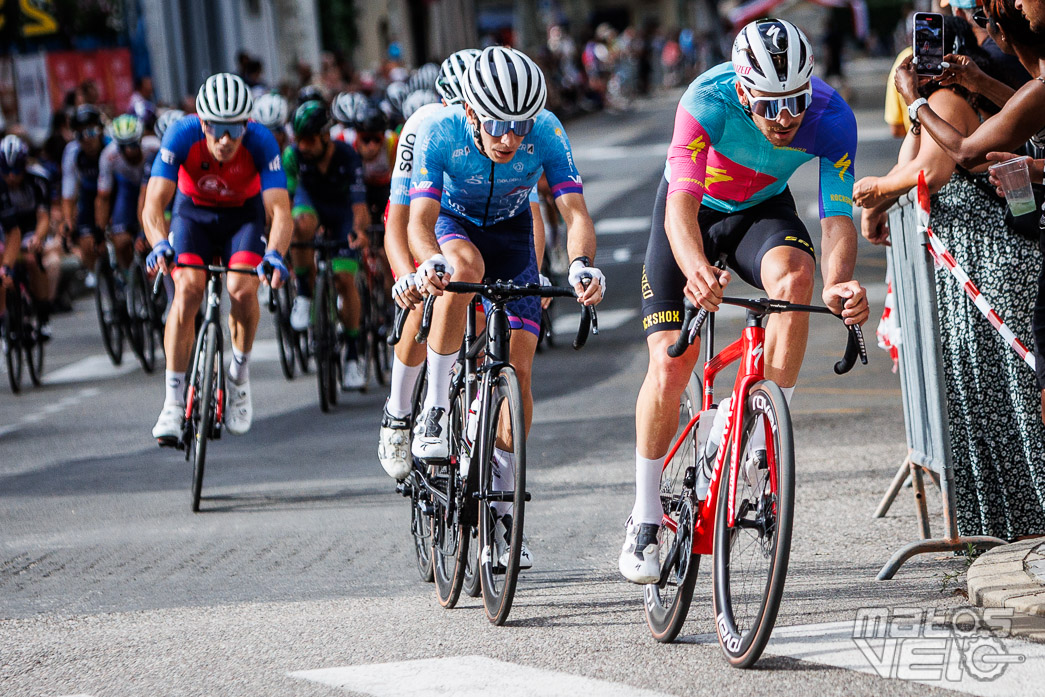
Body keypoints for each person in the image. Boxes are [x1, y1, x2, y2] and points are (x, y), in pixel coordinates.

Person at [619, 18, 869, 583]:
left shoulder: (831, 117)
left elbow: (836, 219)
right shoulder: (704, 100)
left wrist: (840, 282)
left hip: (760, 209)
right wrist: (695, 270)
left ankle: (756, 434)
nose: (785, 119)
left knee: (798, 277)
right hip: (694, 213)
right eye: (771, 105)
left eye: (796, 102)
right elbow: (679, 210)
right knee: (670, 362)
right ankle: (645, 514)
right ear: (742, 91)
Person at [409, 46, 605, 568]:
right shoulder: (443, 130)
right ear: (471, 112)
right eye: (496, 123)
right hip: (456, 227)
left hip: (515, 235)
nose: (508, 138)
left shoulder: (548, 131)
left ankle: (501, 507)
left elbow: (574, 211)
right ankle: (432, 411)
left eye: (520, 125)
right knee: (463, 269)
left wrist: (582, 264)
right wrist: (430, 262)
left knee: (517, 374)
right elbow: (418, 221)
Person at [142, 73, 292, 443]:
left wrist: (274, 253)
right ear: (202, 123)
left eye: (235, 130)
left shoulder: (261, 141)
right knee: (187, 289)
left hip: (243, 216)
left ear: (247, 125)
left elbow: (281, 212)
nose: (225, 140)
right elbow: (154, 204)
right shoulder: (181, 134)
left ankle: (238, 377)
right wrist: (159, 242)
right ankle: (173, 403)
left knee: (242, 288)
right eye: (217, 129)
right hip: (193, 214)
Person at [378, 49, 477, 479]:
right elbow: (398, 221)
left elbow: (528, 212)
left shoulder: (501, 132)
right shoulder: (422, 128)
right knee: (423, 299)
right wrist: (405, 277)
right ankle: (398, 414)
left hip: (476, 221)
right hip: (427, 220)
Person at [283, 101, 371, 390]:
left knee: (345, 279)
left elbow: (359, 206)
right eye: (299, 140)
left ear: (324, 135)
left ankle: (353, 355)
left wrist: (359, 231)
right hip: (312, 208)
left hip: (343, 214)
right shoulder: (294, 156)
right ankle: (306, 294)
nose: (302, 146)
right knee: (300, 224)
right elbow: (286, 203)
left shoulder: (348, 156)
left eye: (308, 139)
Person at [0, 135, 53, 335]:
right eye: (6, 170)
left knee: (31, 258)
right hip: (6, 225)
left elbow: (44, 216)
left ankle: (43, 311)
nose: (11, 177)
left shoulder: (38, 179)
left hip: (31, 224)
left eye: (16, 170)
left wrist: (38, 238)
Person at [95, 115, 158, 271]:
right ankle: (131, 277)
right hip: (127, 190)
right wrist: (100, 230)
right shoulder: (108, 157)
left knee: (154, 233)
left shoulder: (155, 147)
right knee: (121, 241)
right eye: (124, 145)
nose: (130, 149)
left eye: (134, 143)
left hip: (152, 187)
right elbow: (103, 197)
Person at [61, 105, 104, 286]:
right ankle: (102, 281)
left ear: (101, 130)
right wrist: (68, 222)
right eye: (80, 135)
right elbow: (68, 193)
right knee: (86, 244)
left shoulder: (111, 146)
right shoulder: (72, 153)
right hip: (89, 196)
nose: (87, 139)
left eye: (92, 132)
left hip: (114, 194)